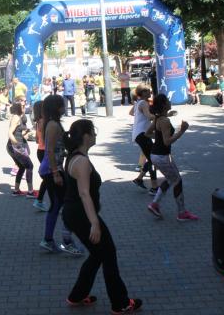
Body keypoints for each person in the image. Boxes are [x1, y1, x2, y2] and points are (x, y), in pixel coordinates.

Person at [61, 119, 142, 313]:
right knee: (108, 253)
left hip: (76, 214)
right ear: (86, 136)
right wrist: (94, 223)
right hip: (81, 216)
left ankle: (77, 295)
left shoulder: (75, 156)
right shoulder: (81, 161)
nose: (96, 135)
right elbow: (84, 193)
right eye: (94, 132)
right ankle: (120, 303)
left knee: (98, 254)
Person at [38, 95, 82, 255]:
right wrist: (56, 173)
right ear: (57, 108)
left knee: (57, 205)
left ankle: (48, 240)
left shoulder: (53, 124)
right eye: (63, 105)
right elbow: (49, 149)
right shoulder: (53, 125)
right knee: (67, 205)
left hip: (52, 169)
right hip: (52, 170)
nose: (65, 107)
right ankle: (67, 242)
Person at [146, 94, 198, 221]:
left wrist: (158, 139)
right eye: (168, 100)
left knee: (170, 179)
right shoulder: (164, 121)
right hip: (162, 156)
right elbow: (167, 142)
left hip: (156, 155)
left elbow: (148, 133)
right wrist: (182, 131)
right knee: (177, 181)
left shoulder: (159, 118)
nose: (170, 102)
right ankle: (181, 213)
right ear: (164, 105)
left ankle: (154, 204)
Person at [128, 85, 157, 194]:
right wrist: (163, 115)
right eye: (147, 90)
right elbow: (149, 116)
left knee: (152, 158)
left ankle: (139, 179)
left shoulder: (138, 102)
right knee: (153, 159)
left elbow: (131, 113)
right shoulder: (144, 103)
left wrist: (139, 118)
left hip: (139, 134)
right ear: (142, 92)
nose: (150, 92)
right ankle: (154, 187)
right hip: (142, 134)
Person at [6, 102, 34, 197]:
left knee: (22, 167)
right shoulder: (16, 118)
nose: (24, 107)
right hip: (15, 147)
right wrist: (17, 145)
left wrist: (26, 132)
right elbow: (10, 133)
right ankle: (30, 192)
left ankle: (16, 190)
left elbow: (18, 133)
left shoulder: (17, 116)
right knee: (29, 166)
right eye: (22, 106)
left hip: (13, 146)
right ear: (18, 108)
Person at [32, 101, 48, 212]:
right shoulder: (44, 121)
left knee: (48, 179)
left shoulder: (38, 122)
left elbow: (37, 139)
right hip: (46, 151)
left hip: (41, 150)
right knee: (49, 179)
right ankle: (39, 200)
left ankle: (40, 200)